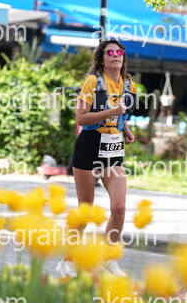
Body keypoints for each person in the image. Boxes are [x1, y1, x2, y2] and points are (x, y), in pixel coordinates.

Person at [57, 40, 136, 278]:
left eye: (119, 51)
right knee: (86, 209)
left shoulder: (129, 84)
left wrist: (125, 129)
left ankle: (107, 258)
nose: (115, 55)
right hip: (89, 146)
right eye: (110, 52)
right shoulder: (93, 82)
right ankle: (68, 260)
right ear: (102, 58)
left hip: (113, 150)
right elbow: (81, 118)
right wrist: (111, 112)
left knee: (119, 208)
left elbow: (122, 114)